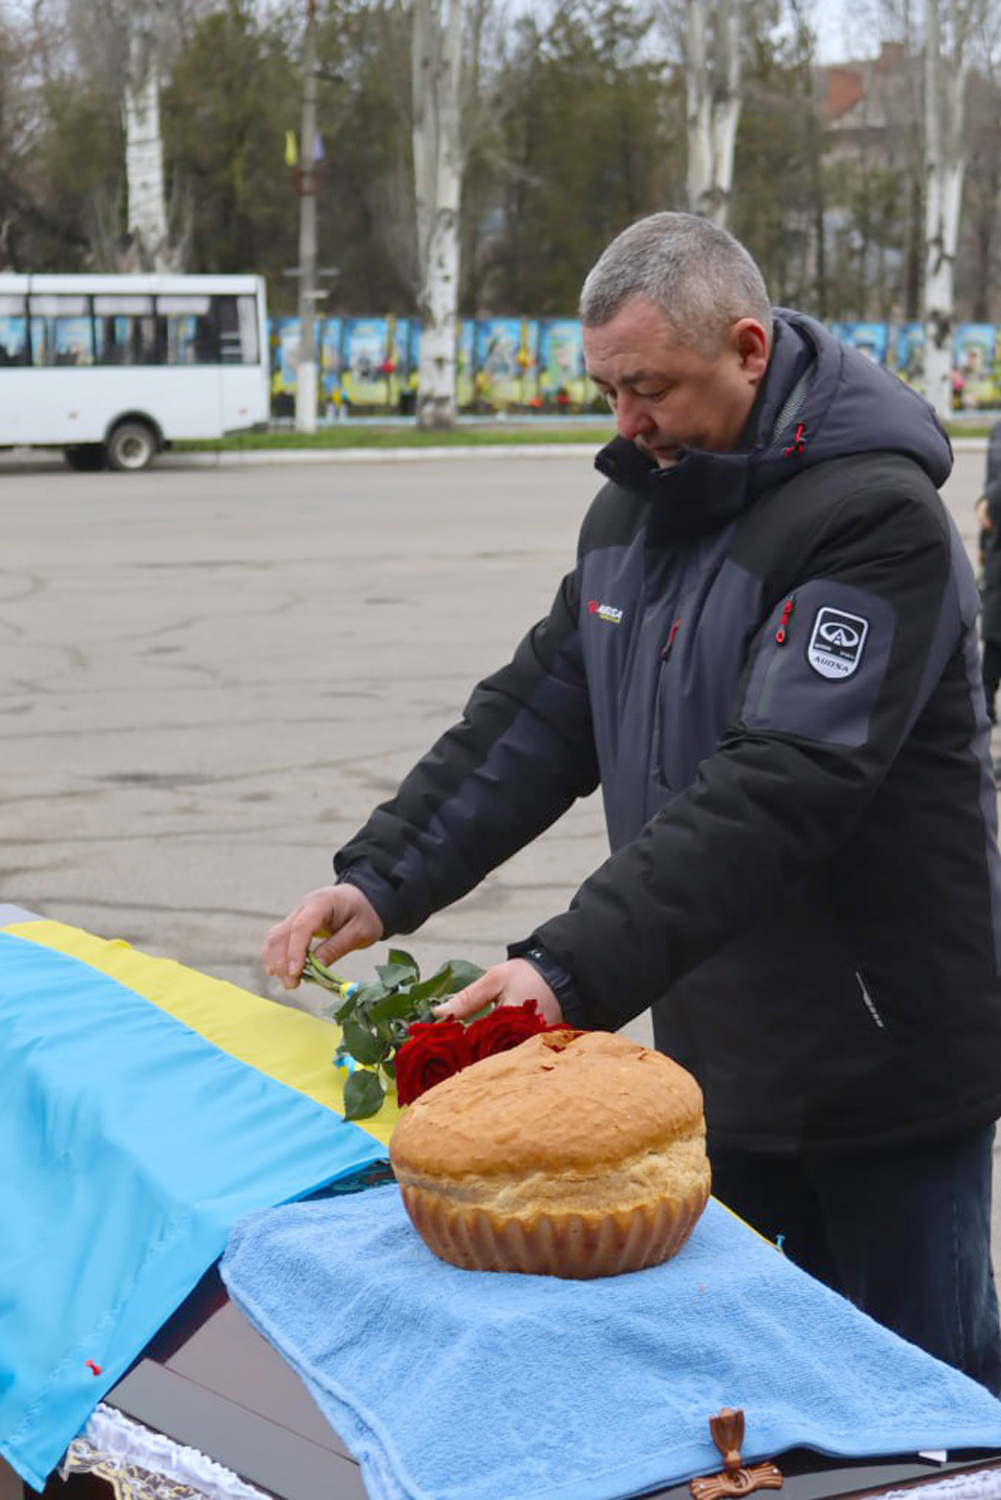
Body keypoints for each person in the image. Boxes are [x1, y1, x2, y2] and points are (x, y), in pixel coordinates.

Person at [263, 212, 1001, 1392]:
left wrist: (564, 969)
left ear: (748, 350)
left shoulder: (874, 523)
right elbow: (536, 716)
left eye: (647, 386)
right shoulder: (638, 508)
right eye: (606, 388)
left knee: (920, 1400)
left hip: (883, 1074)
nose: (624, 422)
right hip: (715, 1069)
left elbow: (779, 784)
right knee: (748, 1403)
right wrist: (380, 875)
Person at [977, 419, 1001, 727]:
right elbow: (991, 481)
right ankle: (984, 706)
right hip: (998, 542)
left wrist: (991, 499)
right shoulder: (997, 430)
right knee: (994, 630)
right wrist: (984, 544)